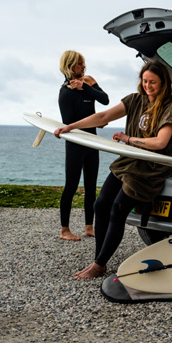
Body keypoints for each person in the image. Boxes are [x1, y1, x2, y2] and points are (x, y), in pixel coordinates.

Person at [55, 61, 172, 279]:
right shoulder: (135, 100)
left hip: (150, 168)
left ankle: (99, 264)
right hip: (128, 162)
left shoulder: (170, 107)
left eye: (153, 82)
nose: (148, 86)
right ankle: (99, 262)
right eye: (145, 81)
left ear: (163, 83)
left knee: (117, 210)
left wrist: (127, 139)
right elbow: (103, 117)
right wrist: (72, 126)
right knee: (100, 204)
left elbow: (161, 143)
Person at [58, 50, 109, 241]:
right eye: (79, 63)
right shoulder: (65, 92)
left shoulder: (89, 82)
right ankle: (64, 230)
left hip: (92, 142)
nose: (83, 66)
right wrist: (96, 122)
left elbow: (105, 99)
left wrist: (87, 86)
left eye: (83, 63)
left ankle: (89, 227)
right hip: (76, 144)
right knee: (70, 186)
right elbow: (69, 121)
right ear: (70, 65)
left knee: (91, 186)